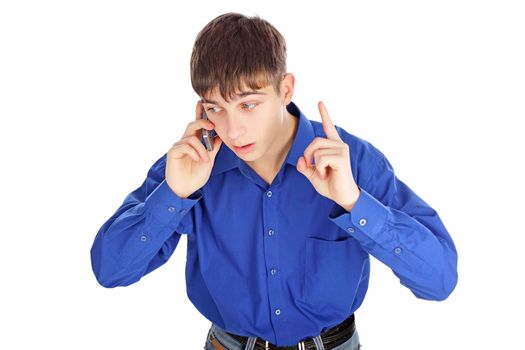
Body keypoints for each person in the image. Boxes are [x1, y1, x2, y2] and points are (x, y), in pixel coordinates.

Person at [90, 12, 458, 350]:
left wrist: (354, 203)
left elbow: (439, 280)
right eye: (216, 108)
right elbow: (110, 271)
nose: (233, 129)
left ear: (285, 89)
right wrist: (173, 194)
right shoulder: (189, 166)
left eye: (248, 104)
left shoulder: (353, 161)